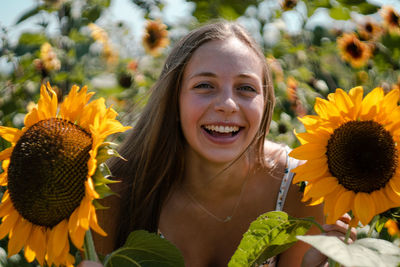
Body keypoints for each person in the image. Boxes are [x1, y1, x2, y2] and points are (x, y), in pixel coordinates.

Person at [80, 21, 356, 267]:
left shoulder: (301, 184)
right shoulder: (115, 192)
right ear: (174, 100)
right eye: (204, 85)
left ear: (265, 103)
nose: (227, 105)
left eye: (246, 88)